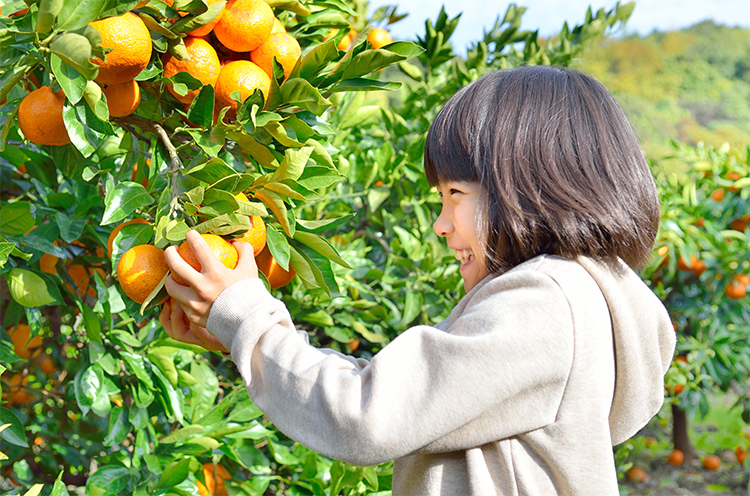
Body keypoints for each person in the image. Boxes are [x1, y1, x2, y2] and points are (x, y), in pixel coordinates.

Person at [160, 65, 676, 495]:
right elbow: (396, 397)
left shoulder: (546, 301)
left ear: (533, 185)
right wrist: (244, 338)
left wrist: (249, 317)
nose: (441, 223)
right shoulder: (579, 300)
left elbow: (364, 415)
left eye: (455, 194)